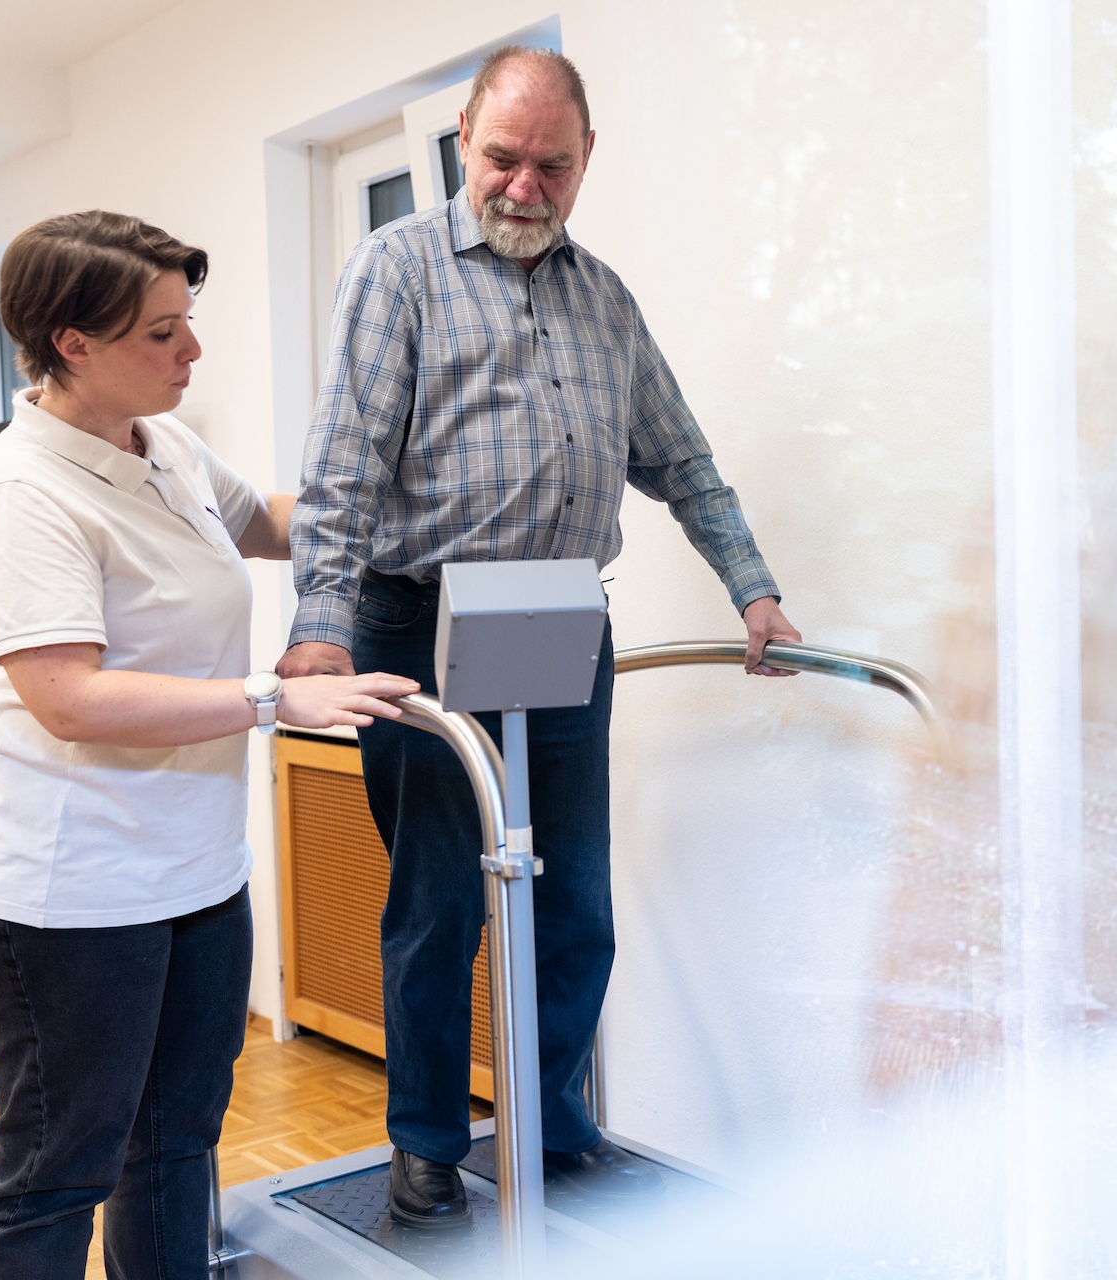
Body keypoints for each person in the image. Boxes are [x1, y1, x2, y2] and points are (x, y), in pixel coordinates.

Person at [279, 46, 801, 1228]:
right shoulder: (397, 270)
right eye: (503, 157)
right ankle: (424, 1146)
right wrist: (319, 632)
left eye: (551, 166)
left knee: (574, 901)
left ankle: (555, 1126)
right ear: (465, 139)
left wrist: (753, 590)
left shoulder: (605, 299)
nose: (524, 186)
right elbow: (343, 465)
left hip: (561, 615)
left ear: (586, 159)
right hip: (417, 616)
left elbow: (684, 460)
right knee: (440, 903)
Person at [0, 210, 419, 1278]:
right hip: (68, 892)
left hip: (195, 872)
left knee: (174, 1144)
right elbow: (69, 699)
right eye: (162, 333)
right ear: (71, 342)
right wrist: (270, 698)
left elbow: (279, 524)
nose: (191, 350)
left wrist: (422, 512)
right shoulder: (22, 490)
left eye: (186, 320)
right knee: (58, 1169)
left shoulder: (166, 444)